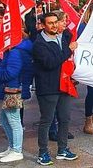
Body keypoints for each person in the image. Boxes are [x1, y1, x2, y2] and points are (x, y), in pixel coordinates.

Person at [33, 11, 78, 165]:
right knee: (47, 120)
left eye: (55, 22)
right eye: (50, 23)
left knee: (65, 119)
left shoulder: (61, 37)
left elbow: (71, 32)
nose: (54, 25)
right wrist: (69, 50)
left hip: (64, 86)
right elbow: (51, 63)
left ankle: (63, 149)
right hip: (48, 88)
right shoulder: (39, 43)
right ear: (43, 25)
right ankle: (43, 153)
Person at [0, 27, 29, 163]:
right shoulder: (15, 51)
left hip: (13, 90)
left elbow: (10, 73)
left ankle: (17, 150)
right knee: (4, 120)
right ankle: (12, 146)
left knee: (14, 121)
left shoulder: (15, 52)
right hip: (11, 89)